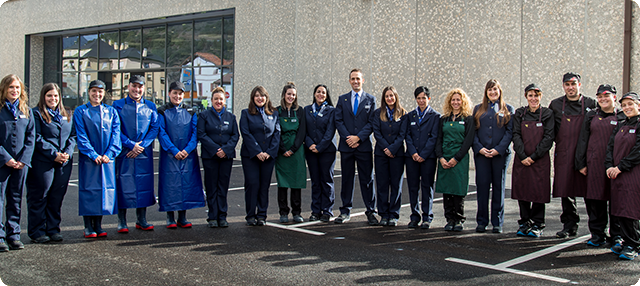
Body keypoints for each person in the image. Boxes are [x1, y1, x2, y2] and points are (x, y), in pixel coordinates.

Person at [548, 72, 597, 238]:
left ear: (579, 85)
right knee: (566, 192)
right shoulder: (555, 105)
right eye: (567, 84)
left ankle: (597, 230)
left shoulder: (591, 103)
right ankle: (569, 226)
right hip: (564, 154)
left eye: (573, 84)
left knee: (590, 193)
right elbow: (550, 130)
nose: (570, 87)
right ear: (563, 86)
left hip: (586, 156)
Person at [26, 83, 76, 243]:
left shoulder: (67, 113)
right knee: (40, 196)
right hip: (43, 161)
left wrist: (67, 153)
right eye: (49, 96)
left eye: (55, 96)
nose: (53, 99)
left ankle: (53, 229)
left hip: (63, 162)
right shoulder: (35, 113)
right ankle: (37, 231)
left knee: (56, 196)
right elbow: (37, 137)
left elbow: (73, 136)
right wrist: (54, 154)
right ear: (43, 97)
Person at [575, 84, 623, 246]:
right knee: (595, 200)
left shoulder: (622, 116)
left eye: (606, 96)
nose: (603, 99)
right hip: (594, 164)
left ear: (614, 97)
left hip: (616, 166)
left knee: (616, 201)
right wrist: (581, 163)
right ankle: (597, 233)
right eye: (599, 96)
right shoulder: (591, 116)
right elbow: (583, 140)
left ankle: (617, 235)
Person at [73, 80, 121, 238]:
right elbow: (81, 135)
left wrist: (109, 153)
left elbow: (116, 135)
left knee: (103, 191)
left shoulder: (111, 112)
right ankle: (88, 226)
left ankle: (98, 225)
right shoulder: (81, 111)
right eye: (94, 91)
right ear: (89, 92)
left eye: (100, 91)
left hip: (106, 159)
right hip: (89, 160)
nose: (97, 94)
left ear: (104, 93)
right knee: (89, 190)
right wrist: (93, 154)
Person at [112, 75, 159, 232]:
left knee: (143, 184)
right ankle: (122, 221)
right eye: (134, 86)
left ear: (144, 88)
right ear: (128, 86)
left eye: (140, 87)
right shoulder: (117, 105)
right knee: (123, 184)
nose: (137, 90)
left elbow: (154, 128)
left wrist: (142, 146)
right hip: (124, 152)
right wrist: (131, 144)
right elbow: (115, 128)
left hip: (143, 154)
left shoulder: (151, 106)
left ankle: (142, 219)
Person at [157, 81, 205, 229]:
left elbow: (194, 133)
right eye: (175, 93)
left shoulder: (191, 111)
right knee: (170, 185)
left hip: (187, 155)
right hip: (169, 155)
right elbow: (162, 132)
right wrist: (173, 150)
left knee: (186, 183)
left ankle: (182, 217)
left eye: (180, 93)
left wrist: (187, 149)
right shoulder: (162, 111)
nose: (178, 96)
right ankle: (170, 217)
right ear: (169, 93)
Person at [511, 84, 554, 237]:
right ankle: (524, 222)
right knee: (522, 191)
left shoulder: (548, 114)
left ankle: (537, 223)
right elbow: (515, 134)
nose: (533, 98)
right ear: (526, 97)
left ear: (540, 96)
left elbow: (549, 137)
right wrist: (523, 156)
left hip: (539, 161)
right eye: (530, 95)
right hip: (521, 160)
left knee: (538, 191)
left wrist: (534, 156)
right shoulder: (520, 113)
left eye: (536, 95)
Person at [334, 69, 377, 225]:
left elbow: (372, 122)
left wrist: (358, 137)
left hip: (363, 146)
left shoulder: (370, 100)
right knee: (346, 180)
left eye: (358, 78)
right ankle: (345, 211)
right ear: (349, 81)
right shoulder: (342, 99)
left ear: (363, 80)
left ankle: (371, 211)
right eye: (352, 79)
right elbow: (338, 121)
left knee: (367, 180)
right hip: (347, 147)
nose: (355, 81)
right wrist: (348, 138)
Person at [472, 79, 514, 234]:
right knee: (482, 187)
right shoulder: (478, 109)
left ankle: (497, 222)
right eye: (490, 90)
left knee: (498, 187)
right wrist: (480, 148)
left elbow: (510, 132)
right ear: (486, 92)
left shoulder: (508, 109)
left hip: (500, 155)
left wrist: (498, 149)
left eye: (495, 89)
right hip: (482, 155)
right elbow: (473, 132)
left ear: (500, 91)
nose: (492, 92)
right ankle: (482, 221)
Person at [0, 74, 35, 251]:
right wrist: (7, 159)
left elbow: (31, 138)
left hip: (21, 164)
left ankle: (13, 234)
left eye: (17, 88)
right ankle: (0, 236)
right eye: (11, 87)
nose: (14, 90)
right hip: (2, 163)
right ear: (4, 89)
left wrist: (23, 160)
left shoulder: (26, 111)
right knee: (0, 200)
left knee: (15, 199)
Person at [605, 92, 640, 260]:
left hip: (633, 174)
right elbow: (610, 147)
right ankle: (627, 241)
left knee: (631, 209)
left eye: (630, 104)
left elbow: (638, 151)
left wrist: (620, 167)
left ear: (638, 105)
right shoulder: (620, 124)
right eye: (624, 105)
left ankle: (634, 244)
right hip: (617, 174)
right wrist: (609, 166)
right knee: (620, 209)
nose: (627, 108)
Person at [198, 86, 239, 228]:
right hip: (210, 157)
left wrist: (225, 150)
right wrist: (216, 149)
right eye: (216, 99)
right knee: (211, 187)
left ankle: (222, 216)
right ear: (211, 100)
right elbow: (201, 134)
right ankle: (212, 216)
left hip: (226, 157)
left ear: (225, 100)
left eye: (221, 99)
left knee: (223, 187)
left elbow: (235, 136)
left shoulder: (231, 117)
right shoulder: (204, 115)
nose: (218, 101)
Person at [434, 88, 474, 231]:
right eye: (453, 100)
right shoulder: (443, 119)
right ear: (449, 102)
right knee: (447, 190)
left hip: (459, 159)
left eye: (458, 99)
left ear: (463, 102)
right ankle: (449, 218)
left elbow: (468, 141)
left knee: (458, 190)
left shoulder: (468, 119)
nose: (456, 102)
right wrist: (441, 157)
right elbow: (438, 139)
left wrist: (456, 159)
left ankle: (458, 219)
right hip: (445, 157)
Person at [240, 86, 280, 226]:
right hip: (251, 156)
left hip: (268, 157)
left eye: (262, 96)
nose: (259, 98)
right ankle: (250, 215)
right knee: (252, 184)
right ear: (252, 98)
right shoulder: (246, 113)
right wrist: (257, 151)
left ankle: (262, 215)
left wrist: (269, 152)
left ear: (266, 97)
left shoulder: (274, 113)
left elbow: (277, 134)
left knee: (264, 186)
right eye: (256, 96)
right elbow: (246, 133)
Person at [405, 86, 440, 229]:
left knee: (427, 187)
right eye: (418, 98)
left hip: (428, 158)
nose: (421, 101)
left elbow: (434, 137)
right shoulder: (411, 115)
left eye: (423, 98)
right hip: (412, 157)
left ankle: (427, 216)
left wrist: (423, 154)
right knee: (413, 187)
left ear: (429, 98)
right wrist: (413, 153)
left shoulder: (435, 116)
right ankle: (414, 216)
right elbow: (407, 135)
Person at [372, 86, 407, 227]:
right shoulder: (377, 113)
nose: (390, 98)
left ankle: (393, 214)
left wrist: (392, 148)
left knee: (396, 185)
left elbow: (402, 134)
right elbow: (376, 132)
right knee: (382, 184)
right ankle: (384, 214)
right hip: (381, 154)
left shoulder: (403, 114)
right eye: (387, 96)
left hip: (397, 154)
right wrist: (386, 148)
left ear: (396, 97)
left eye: (392, 95)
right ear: (383, 98)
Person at [304, 84, 337, 222]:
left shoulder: (331, 110)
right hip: (311, 151)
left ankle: (327, 211)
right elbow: (303, 129)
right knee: (315, 181)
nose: (320, 94)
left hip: (327, 150)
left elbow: (330, 131)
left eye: (323, 92)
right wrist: (310, 143)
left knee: (326, 180)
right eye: (318, 92)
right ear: (314, 94)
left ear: (326, 95)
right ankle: (315, 210)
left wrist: (320, 146)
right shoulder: (307, 110)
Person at [275, 83, 307, 223]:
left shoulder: (300, 111)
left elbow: (302, 132)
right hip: (281, 151)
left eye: (293, 94)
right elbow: (276, 131)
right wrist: (283, 149)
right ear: (284, 95)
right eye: (289, 94)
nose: (291, 97)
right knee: (282, 183)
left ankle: (296, 212)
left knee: (296, 182)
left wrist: (293, 149)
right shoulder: (276, 111)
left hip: (297, 151)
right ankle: (283, 212)